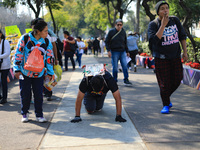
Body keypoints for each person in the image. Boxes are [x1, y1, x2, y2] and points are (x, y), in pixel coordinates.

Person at [148, 1, 188, 114]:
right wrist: (163, 25)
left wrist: (185, 52)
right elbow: (154, 42)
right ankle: (166, 104)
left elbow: (182, 36)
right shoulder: (153, 24)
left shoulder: (175, 20)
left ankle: (165, 96)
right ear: (158, 12)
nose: (165, 10)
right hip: (161, 58)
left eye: (167, 8)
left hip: (175, 56)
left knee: (178, 79)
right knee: (164, 83)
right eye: (162, 9)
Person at [13, 20, 54, 122]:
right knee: (25, 94)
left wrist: (50, 73)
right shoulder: (25, 38)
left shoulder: (46, 41)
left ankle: (39, 115)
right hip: (24, 72)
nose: (47, 33)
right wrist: (17, 69)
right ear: (38, 31)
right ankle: (25, 114)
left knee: (39, 95)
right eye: (45, 31)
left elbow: (49, 58)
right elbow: (18, 54)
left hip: (39, 74)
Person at [105, 19, 132, 86]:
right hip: (114, 51)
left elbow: (125, 42)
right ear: (115, 25)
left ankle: (126, 79)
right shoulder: (111, 32)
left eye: (121, 25)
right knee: (115, 67)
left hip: (122, 51)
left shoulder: (123, 32)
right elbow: (107, 41)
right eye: (118, 25)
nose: (119, 26)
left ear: (122, 25)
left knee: (125, 66)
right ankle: (114, 80)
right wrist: (108, 51)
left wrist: (127, 51)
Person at [0, 30, 10, 104]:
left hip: (5, 65)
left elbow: (7, 53)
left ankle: (4, 97)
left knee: (4, 81)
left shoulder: (5, 42)